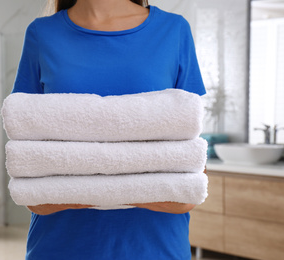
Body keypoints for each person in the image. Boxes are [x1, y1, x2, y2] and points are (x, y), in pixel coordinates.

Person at [11, 0, 206, 259]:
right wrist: (134, 186)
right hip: (60, 248)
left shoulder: (173, 30)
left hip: (156, 250)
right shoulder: (41, 33)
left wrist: (85, 187)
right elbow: (34, 186)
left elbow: (187, 182)